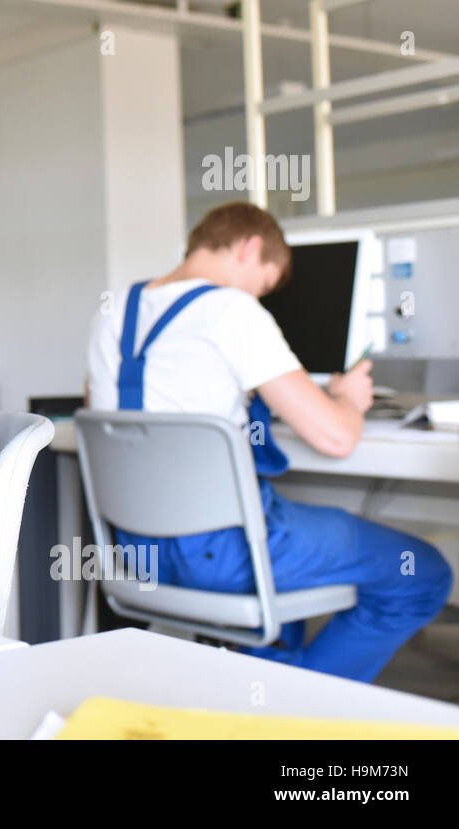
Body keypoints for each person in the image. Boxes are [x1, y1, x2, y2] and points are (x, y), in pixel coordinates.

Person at [86, 201, 452, 682]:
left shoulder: (113, 313)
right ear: (251, 246)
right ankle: (299, 710)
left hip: (136, 553)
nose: (262, 299)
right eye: (265, 285)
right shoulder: (233, 310)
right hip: (224, 555)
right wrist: (348, 399)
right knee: (424, 573)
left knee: (293, 550)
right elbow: (337, 437)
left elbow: (118, 419)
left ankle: (267, 689)